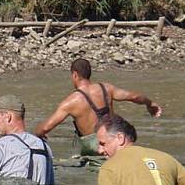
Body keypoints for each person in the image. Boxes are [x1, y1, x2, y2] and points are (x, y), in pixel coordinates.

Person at [34, 58, 162, 174]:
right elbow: (134, 96)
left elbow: (45, 128)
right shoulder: (106, 88)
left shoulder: (71, 101)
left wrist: (39, 133)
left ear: (75, 75)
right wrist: (150, 103)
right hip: (113, 140)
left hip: (94, 147)